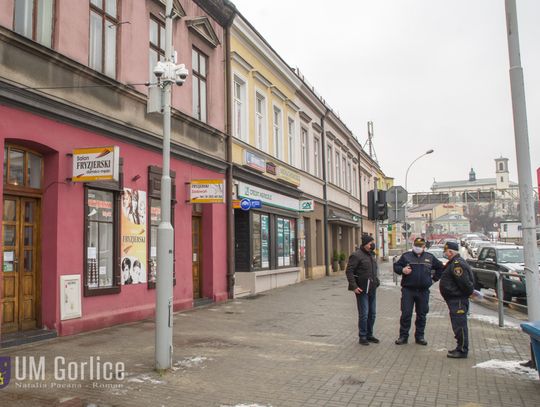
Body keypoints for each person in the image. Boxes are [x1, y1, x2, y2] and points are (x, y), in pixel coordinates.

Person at [393, 237, 444, 345]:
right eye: (416, 245)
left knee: (422, 314)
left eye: (420, 246)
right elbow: (396, 266)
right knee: (406, 313)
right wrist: (402, 270)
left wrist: (433, 280)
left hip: (423, 291)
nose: (418, 248)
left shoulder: (430, 257)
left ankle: (420, 336)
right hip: (408, 290)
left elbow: (440, 268)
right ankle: (403, 336)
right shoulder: (406, 256)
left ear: (424, 247)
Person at [438, 241, 474, 359]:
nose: (445, 254)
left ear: (450, 252)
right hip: (455, 299)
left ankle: (462, 349)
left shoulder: (457, 264)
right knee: (457, 325)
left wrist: (465, 294)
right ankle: (460, 347)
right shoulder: (453, 263)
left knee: (460, 325)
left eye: (446, 252)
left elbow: (465, 283)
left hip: (458, 300)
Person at [345, 234, 380, 346]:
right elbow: (349, 271)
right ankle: (363, 336)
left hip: (372, 289)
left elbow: (373, 270)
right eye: (370, 243)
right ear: (365, 244)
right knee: (364, 314)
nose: (372, 245)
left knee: (372, 313)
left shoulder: (371, 255)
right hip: (362, 289)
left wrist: (377, 281)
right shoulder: (356, 255)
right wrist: (354, 286)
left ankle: (370, 334)